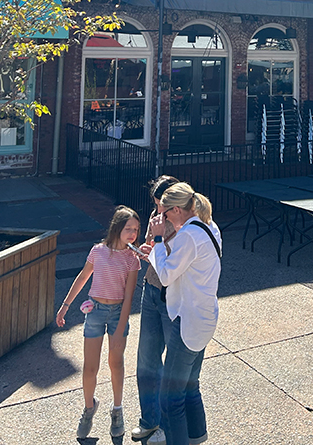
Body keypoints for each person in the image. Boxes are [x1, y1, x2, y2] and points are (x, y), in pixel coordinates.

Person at [141, 183, 222, 445]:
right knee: (190, 385)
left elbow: (165, 276)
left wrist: (155, 240)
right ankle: (198, 435)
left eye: (165, 213)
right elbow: (184, 265)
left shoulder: (188, 235)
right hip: (206, 316)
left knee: (170, 398)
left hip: (187, 321)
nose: (162, 218)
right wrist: (157, 252)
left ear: (176, 210)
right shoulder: (208, 226)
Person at [56, 205, 140, 439]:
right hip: (95, 311)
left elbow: (129, 296)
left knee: (116, 363)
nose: (133, 233)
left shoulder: (133, 259)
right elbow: (83, 277)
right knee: (90, 366)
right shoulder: (98, 251)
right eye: (128, 228)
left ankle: (117, 409)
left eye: (136, 229)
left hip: (117, 314)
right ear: (116, 228)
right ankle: (89, 408)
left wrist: (122, 325)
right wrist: (65, 305)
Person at [131, 175, 180, 445]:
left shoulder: (185, 223)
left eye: (163, 205)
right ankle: (149, 421)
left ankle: (168, 427)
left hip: (171, 296)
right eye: (156, 205)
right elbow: (154, 251)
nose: (158, 211)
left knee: (173, 367)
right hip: (150, 289)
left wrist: (159, 242)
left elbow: (176, 264)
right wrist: (145, 250)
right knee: (147, 361)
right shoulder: (156, 216)